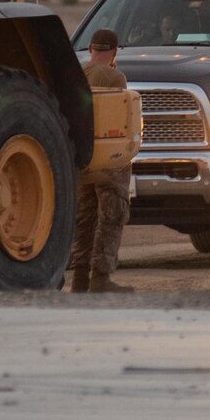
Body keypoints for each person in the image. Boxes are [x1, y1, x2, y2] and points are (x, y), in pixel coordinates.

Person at [70, 28, 133, 293]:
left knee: (85, 219)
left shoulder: (75, 75)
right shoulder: (115, 76)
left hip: (82, 159)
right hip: (109, 159)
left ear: (91, 49)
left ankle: (80, 280)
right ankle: (101, 278)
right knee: (111, 216)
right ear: (115, 51)